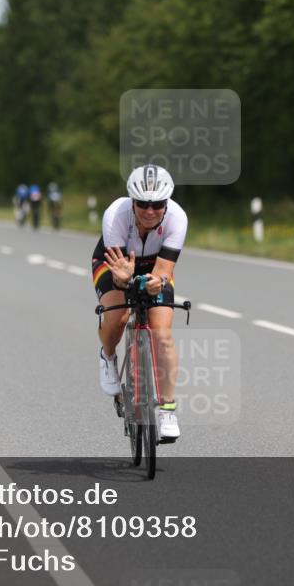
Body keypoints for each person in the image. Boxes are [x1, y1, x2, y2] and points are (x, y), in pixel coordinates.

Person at [92, 164, 187, 441]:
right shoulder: (115, 216)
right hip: (114, 262)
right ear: (132, 202)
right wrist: (122, 280)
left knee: (163, 335)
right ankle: (108, 355)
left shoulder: (178, 219)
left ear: (166, 203)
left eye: (157, 204)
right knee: (119, 316)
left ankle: (167, 409)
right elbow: (121, 276)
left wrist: (156, 283)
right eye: (142, 204)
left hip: (155, 264)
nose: (149, 211)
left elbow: (163, 271)